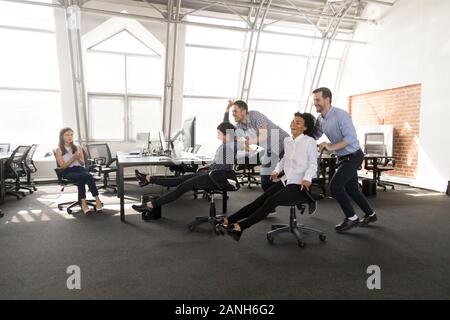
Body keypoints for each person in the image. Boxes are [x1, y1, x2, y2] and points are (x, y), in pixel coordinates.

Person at [217, 113, 317, 241]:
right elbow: (284, 159)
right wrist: (276, 170)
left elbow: (313, 164)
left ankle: (241, 226)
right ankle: (228, 220)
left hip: (300, 184)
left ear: (305, 128)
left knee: (271, 201)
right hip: (286, 180)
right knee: (260, 200)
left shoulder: (309, 142)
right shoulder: (287, 141)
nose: (293, 124)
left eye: (298, 122)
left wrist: (307, 178)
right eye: (293, 121)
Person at [132, 122, 239, 220]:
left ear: (227, 135)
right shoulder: (226, 145)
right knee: (180, 179)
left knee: (181, 187)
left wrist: (210, 167)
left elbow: (222, 167)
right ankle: (148, 178)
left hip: (216, 178)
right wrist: (209, 166)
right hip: (212, 175)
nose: (217, 136)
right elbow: (220, 164)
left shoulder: (229, 147)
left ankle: (150, 205)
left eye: (219, 134)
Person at [312, 87, 377, 232]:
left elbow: (350, 138)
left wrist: (330, 146)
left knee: (335, 186)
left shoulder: (341, 115)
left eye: (317, 100)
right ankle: (371, 214)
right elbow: (315, 134)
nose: (315, 103)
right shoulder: (320, 118)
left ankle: (351, 218)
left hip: (354, 156)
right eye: (314, 100)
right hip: (343, 157)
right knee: (352, 189)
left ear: (327, 99)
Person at [224, 100, 290, 191]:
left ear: (244, 111)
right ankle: (274, 196)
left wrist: (249, 142)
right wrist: (227, 109)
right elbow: (226, 126)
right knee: (266, 177)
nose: (233, 114)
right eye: (232, 112)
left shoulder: (255, 115)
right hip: (270, 147)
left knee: (290, 170)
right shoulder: (239, 126)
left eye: (235, 111)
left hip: (281, 140)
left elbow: (264, 135)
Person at [55, 127, 103, 214]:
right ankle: (84, 203)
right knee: (82, 177)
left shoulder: (77, 147)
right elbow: (62, 167)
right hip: (68, 171)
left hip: (80, 169)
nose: (70, 137)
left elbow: (82, 163)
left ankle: (97, 200)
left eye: (71, 135)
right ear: (62, 137)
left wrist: (78, 159)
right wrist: (73, 159)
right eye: (67, 135)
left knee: (87, 175)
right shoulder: (58, 150)